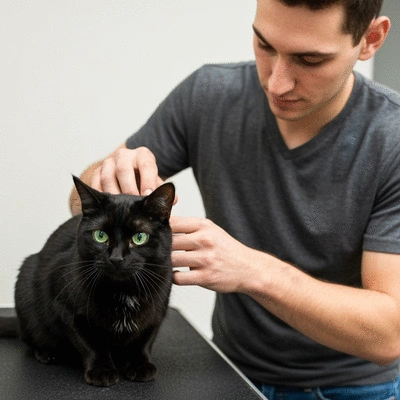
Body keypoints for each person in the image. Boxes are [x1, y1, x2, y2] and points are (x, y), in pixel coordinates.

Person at [70, 0, 400, 398]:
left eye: (309, 60)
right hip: (228, 371)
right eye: (264, 45)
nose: (277, 83)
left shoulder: (392, 140)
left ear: (371, 39)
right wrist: (108, 179)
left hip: (351, 389)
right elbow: (78, 198)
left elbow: (388, 335)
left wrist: (254, 271)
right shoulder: (209, 93)